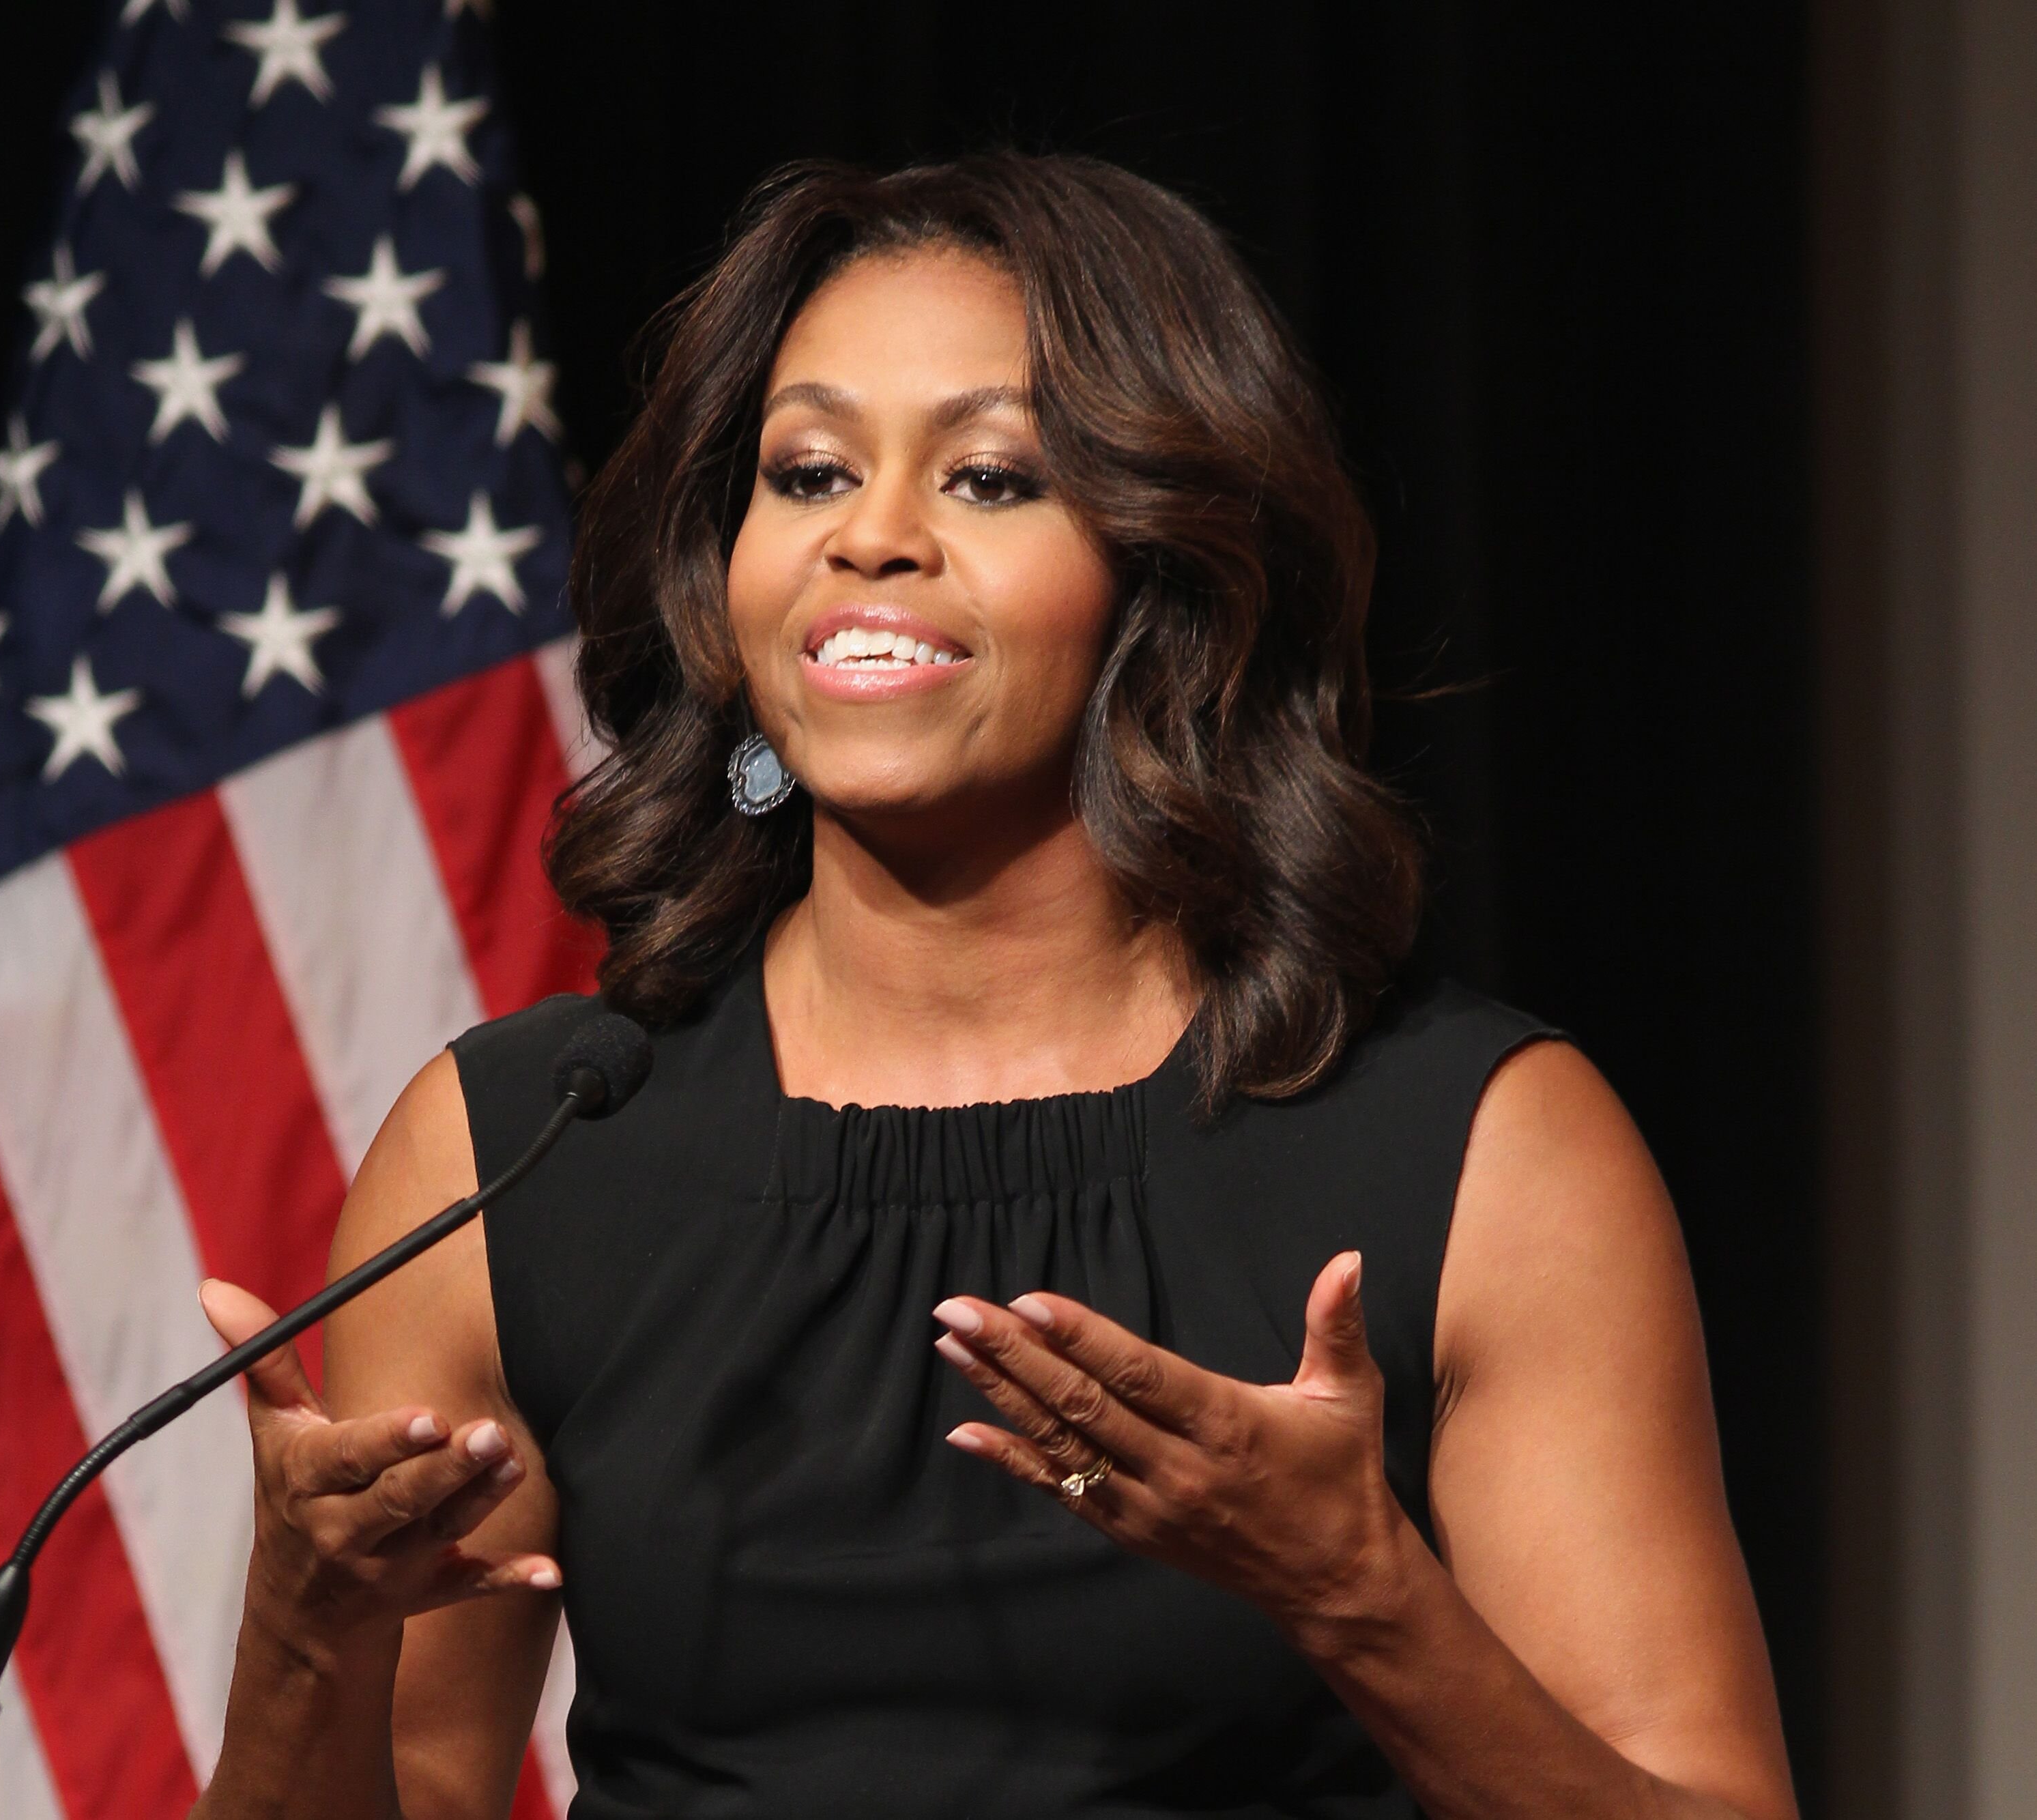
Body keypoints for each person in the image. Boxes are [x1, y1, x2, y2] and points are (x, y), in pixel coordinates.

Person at [194, 154, 1797, 1820]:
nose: (869, 538)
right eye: (806, 470)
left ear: (1164, 573)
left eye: (987, 478)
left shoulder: (1475, 1150)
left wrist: (1360, 1596)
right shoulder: (517, 1149)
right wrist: (297, 1635)